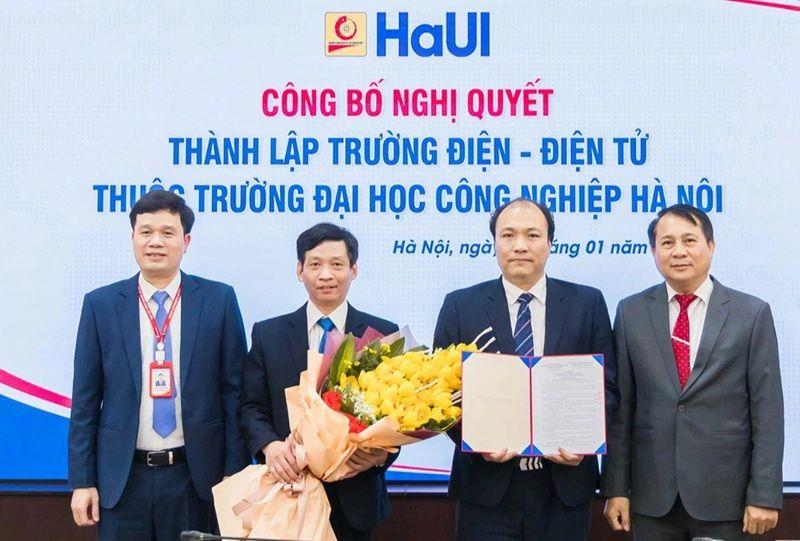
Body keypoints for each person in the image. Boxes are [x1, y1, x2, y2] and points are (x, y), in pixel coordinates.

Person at [68, 190, 250, 540]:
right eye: (146, 232)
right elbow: (85, 401)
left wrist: (235, 474)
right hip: (122, 480)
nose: (155, 242)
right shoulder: (101, 305)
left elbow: (234, 394)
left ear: (186, 241)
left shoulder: (218, 300)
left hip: (195, 479)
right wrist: (82, 480)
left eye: (167, 232)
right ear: (133, 238)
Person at [433, 198, 618, 541]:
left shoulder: (587, 303)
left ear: (550, 243)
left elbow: (608, 387)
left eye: (532, 235)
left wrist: (584, 441)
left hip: (563, 489)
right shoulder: (460, 305)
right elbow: (440, 395)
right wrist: (475, 440)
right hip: (485, 489)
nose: (520, 245)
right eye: (508, 235)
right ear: (494, 243)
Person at [603, 204, 784, 540]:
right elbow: (622, 410)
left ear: (710, 247)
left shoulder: (751, 313)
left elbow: (768, 411)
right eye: (667, 242)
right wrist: (615, 488)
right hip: (652, 498)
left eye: (689, 240)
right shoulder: (630, 313)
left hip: (726, 497)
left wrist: (764, 494)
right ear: (654, 252)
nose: (679, 251)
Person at [240, 222, 399, 541]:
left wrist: (382, 455)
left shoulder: (381, 335)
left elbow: (399, 413)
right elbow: (251, 406)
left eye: (337, 264)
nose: (326, 275)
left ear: (354, 270)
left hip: (356, 496)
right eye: (315, 264)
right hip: (288, 491)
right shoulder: (268, 334)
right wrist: (270, 446)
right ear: (300, 270)